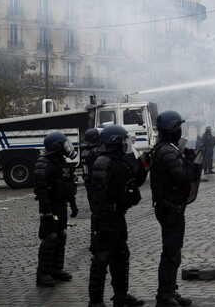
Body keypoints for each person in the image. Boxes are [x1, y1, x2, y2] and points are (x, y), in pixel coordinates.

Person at [87, 125, 147, 307]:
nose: (126, 143)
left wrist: (144, 165)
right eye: (123, 140)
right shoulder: (102, 162)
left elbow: (133, 181)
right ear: (115, 142)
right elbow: (97, 196)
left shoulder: (121, 160)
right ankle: (95, 301)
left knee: (121, 255)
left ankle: (121, 295)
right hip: (106, 217)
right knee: (102, 258)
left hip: (119, 215)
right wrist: (103, 221)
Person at [150, 110, 200, 307]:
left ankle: (171, 290)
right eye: (178, 127)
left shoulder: (165, 148)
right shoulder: (168, 151)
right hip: (170, 208)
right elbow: (182, 178)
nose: (180, 131)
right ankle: (164, 296)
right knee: (170, 254)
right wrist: (189, 161)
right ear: (172, 129)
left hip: (172, 207)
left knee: (174, 252)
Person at [34, 132, 78, 287]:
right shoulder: (43, 163)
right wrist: (46, 211)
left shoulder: (62, 162)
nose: (67, 147)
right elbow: (41, 189)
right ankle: (43, 273)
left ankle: (56, 270)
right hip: (51, 207)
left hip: (61, 206)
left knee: (61, 235)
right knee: (50, 237)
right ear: (57, 146)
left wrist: (72, 204)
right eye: (64, 144)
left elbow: (69, 186)